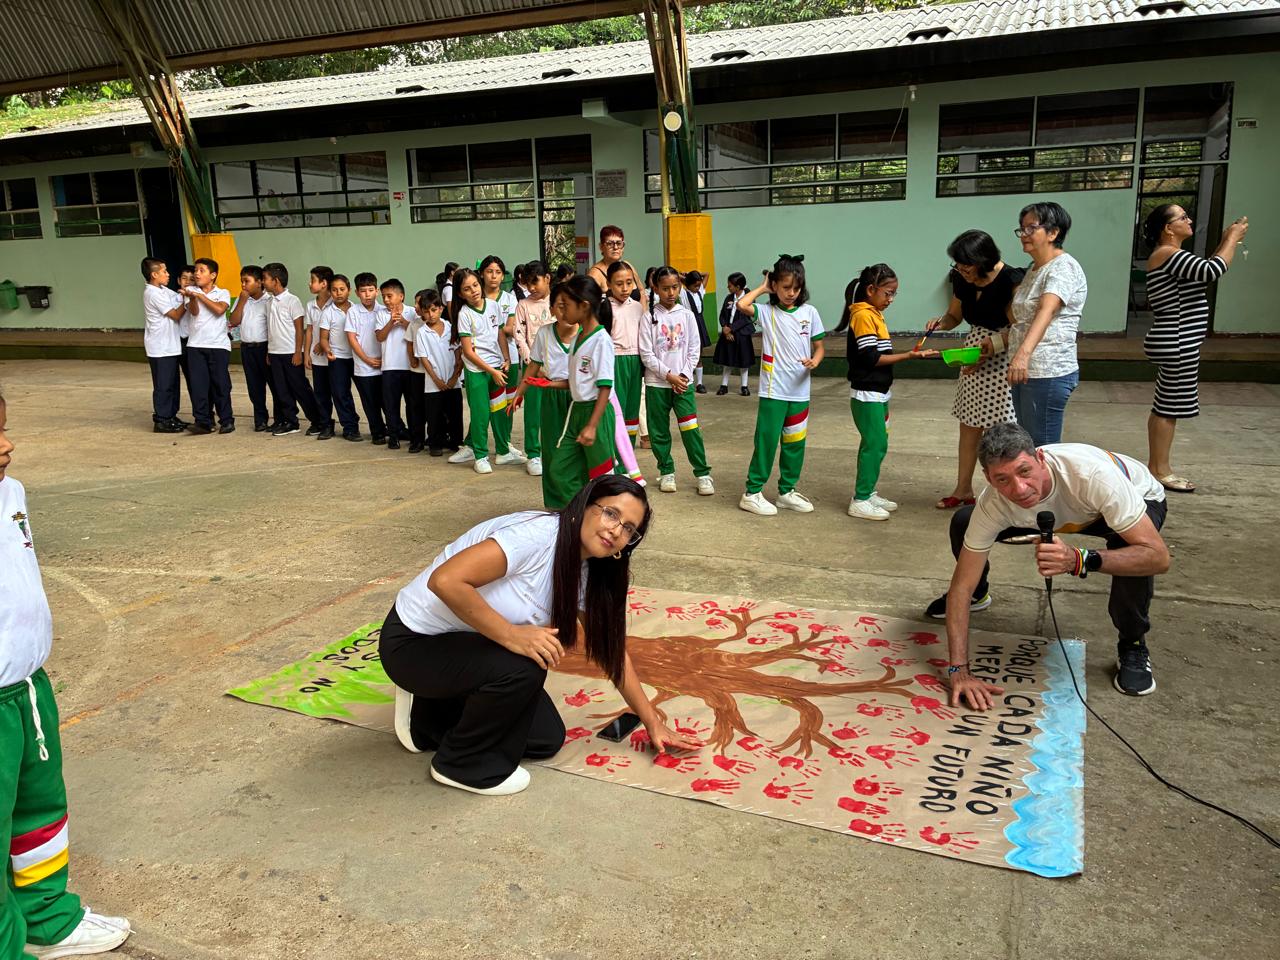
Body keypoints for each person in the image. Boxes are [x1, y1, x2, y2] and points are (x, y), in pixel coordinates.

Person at [383, 475, 701, 795]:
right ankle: (461, 766)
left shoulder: (590, 569)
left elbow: (612, 651)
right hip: (414, 643)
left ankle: (424, 716)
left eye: (630, 529)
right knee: (525, 665)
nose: (616, 530)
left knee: (544, 738)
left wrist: (652, 720)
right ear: (584, 505)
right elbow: (445, 581)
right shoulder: (535, 536)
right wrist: (511, 635)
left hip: (467, 647)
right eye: (611, 513)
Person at [0, 385, 133, 958]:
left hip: (27, 689)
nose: (7, 445)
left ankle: (46, 916)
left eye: (3, 427)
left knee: (40, 810)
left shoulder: (12, 492)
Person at [927, 422, 1170, 705]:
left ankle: (1133, 641)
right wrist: (959, 671)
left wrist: (1078, 559)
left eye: (1024, 471)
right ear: (988, 478)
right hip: (1062, 513)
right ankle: (982, 594)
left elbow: (1158, 557)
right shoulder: (993, 502)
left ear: (1040, 459)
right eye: (1002, 479)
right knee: (964, 521)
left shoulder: (1093, 477)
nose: (1019, 488)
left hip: (1125, 500)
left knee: (1132, 552)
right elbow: (960, 587)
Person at [1142, 206, 1249, 493]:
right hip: (1178, 340)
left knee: (1164, 406)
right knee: (1169, 408)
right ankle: (1161, 470)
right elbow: (1213, 270)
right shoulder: (1168, 254)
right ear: (1168, 228)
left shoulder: (1171, 256)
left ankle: (1156, 466)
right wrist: (1233, 238)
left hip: (1177, 339)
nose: (1189, 221)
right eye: (1183, 218)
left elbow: (1203, 269)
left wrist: (1227, 239)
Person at [927, 230, 1023, 509]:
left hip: (1001, 356)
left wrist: (991, 345)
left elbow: (1019, 327)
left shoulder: (1010, 280)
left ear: (983, 259)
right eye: (956, 266)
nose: (960, 271)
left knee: (1001, 431)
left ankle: (1010, 493)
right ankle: (963, 489)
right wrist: (940, 323)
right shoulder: (962, 280)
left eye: (965, 265)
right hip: (972, 355)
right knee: (968, 426)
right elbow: (954, 316)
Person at [836, 264, 938, 521]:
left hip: (879, 392)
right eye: (888, 293)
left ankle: (868, 492)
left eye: (894, 294)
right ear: (871, 290)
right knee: (875, 444)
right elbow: (871, 358)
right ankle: (860, 499)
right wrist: (909, 356)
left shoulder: (874, 313)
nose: (891, 299)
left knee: (877, 443)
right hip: (867, 393)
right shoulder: (862, 316)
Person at [732, 255, 826, 516]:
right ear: (775, 285)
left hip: (800, 392)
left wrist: (815, 362)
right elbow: (742, 304)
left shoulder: (810, 313)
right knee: (767, 441)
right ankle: (752, 492)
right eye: (785, 287)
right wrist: (763, 288)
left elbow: (819, 347)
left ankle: (787, 491)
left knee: (795, 443)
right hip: (774, 391)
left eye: (796, 288)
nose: (791, 293)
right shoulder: (767, 312)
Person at [1004, 202, 1087, 446]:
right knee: (1029, 445)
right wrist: (1001, 343)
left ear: (1053, 233)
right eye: (1022, 229)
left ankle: (1053, 487)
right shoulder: (1035, 269)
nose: (1024, 235)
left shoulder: (1063, 267)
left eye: (1032, 228)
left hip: (1048, 370)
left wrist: (1022, 355)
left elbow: (1046, 311)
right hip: (1027, 369)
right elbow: (1023, 320)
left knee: (1044, 450)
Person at [639, 266, 713, 496]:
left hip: (683, 384)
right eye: (665, 288)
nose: (671, 293)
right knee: (659, 430)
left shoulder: (687, 316)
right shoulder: (649, 317)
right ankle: (666, 471)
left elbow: (694, 348)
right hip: (656, 384)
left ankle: (702, 473)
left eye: (675, 287)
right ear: (656, 288)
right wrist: (668, 375)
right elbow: (646, 353)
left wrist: (683, 375)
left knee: (690, 428)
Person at [545, 276, 618, 504]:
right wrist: (549, 384)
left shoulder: (601, 340)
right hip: (576, 410)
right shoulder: (578, 337)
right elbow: (576, 380)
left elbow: (605, 386)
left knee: (602, 476)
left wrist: (592, 426)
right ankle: (581, 512)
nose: (562, 310)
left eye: (566, 305)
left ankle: (606, 516)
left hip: (594, 412)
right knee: (559, 469)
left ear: (584, 306)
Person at [451, 268, 523, 474]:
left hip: (497, 368)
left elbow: (500, 333)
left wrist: (506, 357)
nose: (473, 291)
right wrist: (492, 371)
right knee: (481, 414)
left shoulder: (493, 305)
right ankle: (480, 455)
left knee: (500, 411)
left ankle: (503, 452)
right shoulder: (464, 314)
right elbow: (468, 351)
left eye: (475, 285)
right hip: (477, 371)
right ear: (460, 294)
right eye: (467, 288)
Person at [511, 290, 579, 509]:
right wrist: (519, 392)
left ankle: (580, 499)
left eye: (569, 305)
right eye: (559, 305)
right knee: (551, 449)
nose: (564, 310)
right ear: (551, 310)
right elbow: (533, 366)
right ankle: (557, 503)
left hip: (579, 396)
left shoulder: (587, 334)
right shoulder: (545, 333)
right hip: (551, 394)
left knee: (577, 448)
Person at [263, 262, 323, 438]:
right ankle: (291, 421)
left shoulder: (292, 300)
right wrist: (269, 351)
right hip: (275, 353)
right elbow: (270, 327)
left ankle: (318, 420)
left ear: (276, 281)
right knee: (281, 390)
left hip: (291, 353)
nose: (263, 282)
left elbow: (299, 329)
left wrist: (299, 352)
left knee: (300, 388)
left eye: (265, 279)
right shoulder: (269, 302)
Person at [512, 261, 555, 477]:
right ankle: (533, 454)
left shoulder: (559, 300)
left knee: (556, 412)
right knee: (533, 413)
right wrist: (532, 362)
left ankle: (554, 452)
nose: (532, 288)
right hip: (533, 368)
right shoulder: (523, 305)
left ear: (547, 278)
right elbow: (518, 334)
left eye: (535, 282)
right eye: (527, 284)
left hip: (557, 369)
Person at [183, 257, 234, 435]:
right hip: (195, 344)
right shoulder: (190, 291)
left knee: (220, 384)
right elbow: (194, 312)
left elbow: (219, 310)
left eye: (201, 270)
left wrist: (201, 296)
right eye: (196, 270)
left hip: (218, 345)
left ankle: (226, 420)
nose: (197, 273)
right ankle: (203, 421)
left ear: (212, 275)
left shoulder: (223, 292)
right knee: (198, 385)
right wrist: (193, 298)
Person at [412, 289, 463, 457]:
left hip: (452, 381)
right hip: (433, 384)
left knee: (455, 413)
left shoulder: (450, 328)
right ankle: (435, 443)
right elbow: (424, 359)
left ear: (441, 309)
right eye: (426, 311)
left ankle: (456, 442)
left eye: (433, 310)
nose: (430, 314)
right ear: (421, 312)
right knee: (434, 415)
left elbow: (458, 354)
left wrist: (454, 376)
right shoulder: (421, 332)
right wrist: (437, 380)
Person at [602, 261, 647, 448]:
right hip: (615, 361)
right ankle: (615, 456)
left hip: (635, 361)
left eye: (629, 283)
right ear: (609, 284)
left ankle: (628, 454)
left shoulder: (637, 307)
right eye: (619, 284)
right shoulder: (604, 307)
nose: (625, 288)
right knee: (615, 410)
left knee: (632, 409)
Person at [140, 257, 187, 434]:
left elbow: (177, 296)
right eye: (164, 272)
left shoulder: (162, 290)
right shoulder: (152, 293)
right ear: (154, 274)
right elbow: (175, 314)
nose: (168, 274)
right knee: (163, 385)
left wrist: (186, 294)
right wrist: (187, 302)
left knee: (173, 383)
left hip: (170, 345)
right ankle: (161, 419)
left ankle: (171, 415)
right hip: (160, 347)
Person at [227, 265, 275, 432]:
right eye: (242, 281)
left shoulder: (269, 300)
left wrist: (270, 349)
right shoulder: (243, 300)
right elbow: (233, 320)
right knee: (254, 387)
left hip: (264, 347)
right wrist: (241, 301)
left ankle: (280, 418)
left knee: (274, 384)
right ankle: (260, 419)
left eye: (247, 281)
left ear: (259, 282)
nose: (243, 285)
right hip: (247, 348)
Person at [481, 256, 524, 429]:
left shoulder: (509, 299)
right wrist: (501, 329)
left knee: (507, 402)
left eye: (498, 272)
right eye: (489, 271)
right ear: (481, 274)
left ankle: (505, 443)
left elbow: (512, 329)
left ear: (502, 276)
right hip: (483, 359)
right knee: (483, 405)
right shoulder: (476, 299)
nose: (493, 276)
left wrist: (491, 330)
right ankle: (473, 443)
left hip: (509, 357)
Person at [320, 274, 363, 442]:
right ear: (330, 292)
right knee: (341, 394)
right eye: (334, 290)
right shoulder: (328, 312)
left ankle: (380, 426)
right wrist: (327, 350)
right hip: (338, 359)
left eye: (342, 289)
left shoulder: (356, 309)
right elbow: (323, 338)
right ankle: (350, 428)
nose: (338, 293)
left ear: (349, 291)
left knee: (368, 393)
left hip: (358, 358)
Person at [346, 272, 387, 445]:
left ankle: (395, 428)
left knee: (387, 400)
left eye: (371, 290)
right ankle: (377, 431)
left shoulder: (383, 310)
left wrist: (384, 359)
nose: (367, 294)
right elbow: (352, 339)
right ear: (356, 292)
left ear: (377, 291)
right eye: (363, 291)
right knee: (370, 402)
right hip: (364, 367)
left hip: (384, 364)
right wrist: (367, 359)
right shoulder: (353, 311)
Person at [377, 278, 415, 451]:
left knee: (412, 404)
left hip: (409, 366)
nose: (386, 300)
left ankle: (415, 436)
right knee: (391, 405)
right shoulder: (381, 314)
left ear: (401, 296)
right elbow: (379, 336)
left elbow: (418, 333)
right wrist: (391, 322)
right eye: (384, 296)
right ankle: (393, 436)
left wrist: (404, 323)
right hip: (390, 367)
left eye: (389, 296)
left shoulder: (413, 312)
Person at [304, 266, 335, 440]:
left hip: (334, 357)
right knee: (321, 393)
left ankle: (349, 425)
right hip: (317, 359)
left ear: (323, 283)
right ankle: (325, 424)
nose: (309, 283)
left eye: (313, 280)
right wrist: (306, 353)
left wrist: (324, 344)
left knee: (339, 393)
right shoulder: (310, 305)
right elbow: (309, 330)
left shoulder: (336, 303)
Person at [713, 271, 754, 396]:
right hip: (728, 332)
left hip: (742, 333)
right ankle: (724, 386)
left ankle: (744, 386)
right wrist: (725, 328)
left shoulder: (749, 297)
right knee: (728, 360)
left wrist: (731, 328)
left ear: (738, 287)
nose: (728, 287)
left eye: (730, 285)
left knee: (743, 362)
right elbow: (722, 315)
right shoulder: (729, 297)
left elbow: (747, 317)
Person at [679, 271, 711, 394]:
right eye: (695, 285)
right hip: (688, 324)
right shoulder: (683, 293)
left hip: (700, 325)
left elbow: (706, 275)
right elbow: (675, 274)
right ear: (688, 284)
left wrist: (695, 274)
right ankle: (685, 379)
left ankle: (699, 383)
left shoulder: (699, 292)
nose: (698, 287)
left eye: (699, 285)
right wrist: (685, 277)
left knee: (698, 353)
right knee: (685, 353)